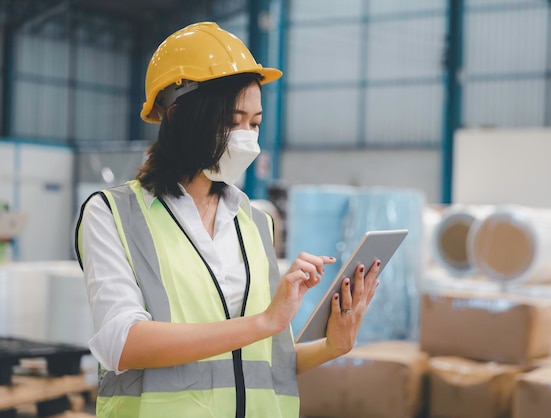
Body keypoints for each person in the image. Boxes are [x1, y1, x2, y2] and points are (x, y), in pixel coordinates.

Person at [74, 22, 381, 418]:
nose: (246, 137)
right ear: (180, 117)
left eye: (254, 123)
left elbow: (257, 363)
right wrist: (267, 321)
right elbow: (124, 343)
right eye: (232, 120)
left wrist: (332, 346)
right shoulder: (112, 214)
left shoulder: (255, 222)